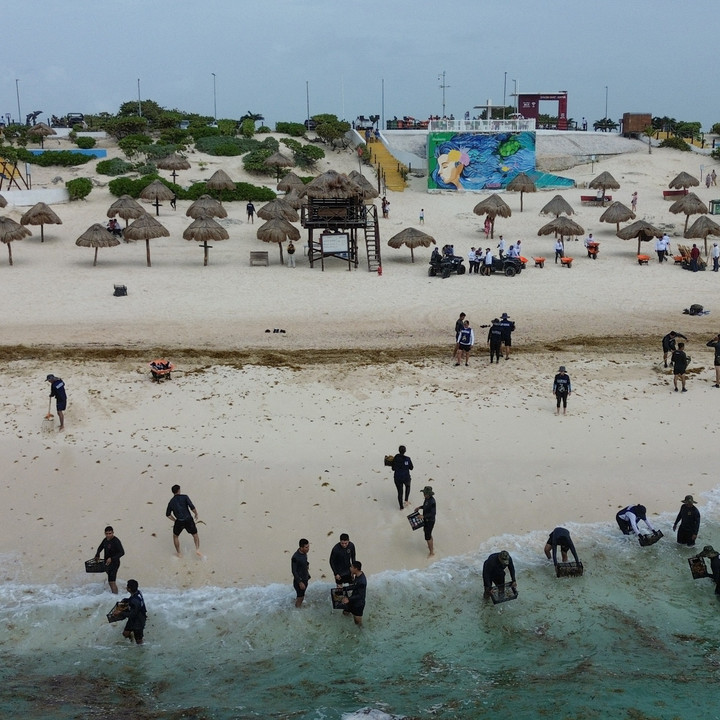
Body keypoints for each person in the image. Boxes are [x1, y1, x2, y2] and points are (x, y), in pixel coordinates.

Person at [166, 484, 201, 557]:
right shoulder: (185, 497)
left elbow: (168, 514)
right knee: (195, 534)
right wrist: (196, 513)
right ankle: (197, 549)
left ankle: (179, 553)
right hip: (188, 519)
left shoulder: (171, 502)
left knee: (175, 536)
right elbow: (192, 507)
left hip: (179, 521)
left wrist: (175, 520)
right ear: (179, 490)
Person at [111, 579, 147, 644]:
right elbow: (132, 601)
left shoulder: (134, 601)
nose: (126, 587)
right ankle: (132, 640)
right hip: (133, 619)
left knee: (139, 641)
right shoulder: (137, 593)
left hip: (139, 621)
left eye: (127, 586)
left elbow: (132, 614)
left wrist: (120, 612)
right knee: (125, 633)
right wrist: (126, 600)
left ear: (129, 589)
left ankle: (140, 647)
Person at [94, 526, 125, 594]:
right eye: (106, 533)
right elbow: (100, 547)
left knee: (111, 582)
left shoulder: (116, 541)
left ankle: (115, 596)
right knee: (110, 579)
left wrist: (112, 558)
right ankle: (114, 592)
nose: (108, 535)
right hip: (107, 563)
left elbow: (122, 552)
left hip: (115, 563)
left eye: (110, 533)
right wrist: (97, 554)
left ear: (113, 533)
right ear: (104, 533)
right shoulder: (105, 540)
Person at [341, 561, 366, 626]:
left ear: (356, 569)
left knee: (357, 623)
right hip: (352, 600)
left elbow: (360, 595)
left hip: (359, 604)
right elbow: (355, 586)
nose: (350, 568)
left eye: (351, 567)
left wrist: (348, 599)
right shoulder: (357, 575)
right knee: (345, 613)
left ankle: (361, 631)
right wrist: (344, 588)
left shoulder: (362, 581)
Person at [414, 486, 436, 557]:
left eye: (425, 493)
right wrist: (419, 507)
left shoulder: (432, 501)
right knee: (427, 533)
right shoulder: (427, 499)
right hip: (426, 520)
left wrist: (423, 516)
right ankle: (431, 545)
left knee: (427, 536)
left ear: (428, 494)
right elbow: (425, 506)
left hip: (430, 521)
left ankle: (431, 553)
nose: (423, 494)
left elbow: (433, 513)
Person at [391, 445, 413, 510]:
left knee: (400, 492)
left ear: (399, 450)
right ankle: (406, 500)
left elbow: (393, 468)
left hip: (397, 477)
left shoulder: (396, 458)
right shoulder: (408, 459)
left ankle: (401, 507)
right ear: (405, 451)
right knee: (408, 486)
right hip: (406, 477)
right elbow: (411, 468)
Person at [291, 538, 310, 608]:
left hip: (305, 578)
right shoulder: (295, 557)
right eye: (306, 547)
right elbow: (294, 571)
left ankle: (297, 604)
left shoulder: (304, 553)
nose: (308, 549)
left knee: (301, 595)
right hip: (299, 581)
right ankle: (297, 609)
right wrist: (300, 582)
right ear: (301, 548)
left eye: (308, 546)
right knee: (300, 598)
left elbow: (304, 562)